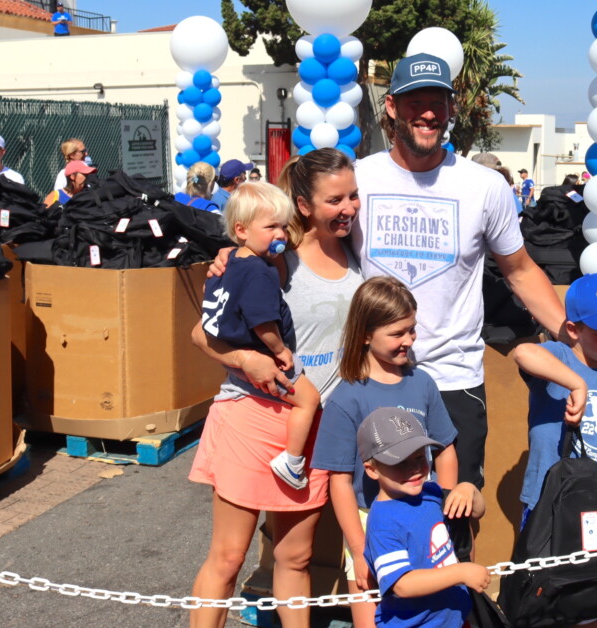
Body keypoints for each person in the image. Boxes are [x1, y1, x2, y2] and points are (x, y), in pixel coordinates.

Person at [354, 52, 565, 490]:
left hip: (454, 380)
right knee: (375, 515)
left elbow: (520, 271)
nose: (428, 113)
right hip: (374, 377)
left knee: (455, 509)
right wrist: (237, 256)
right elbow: (309, 246)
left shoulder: (485, 186)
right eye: (415, 102)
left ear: (451, 109)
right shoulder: (358, 179)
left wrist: (571, 333)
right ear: (391, 106)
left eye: (439, 102)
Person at [189, 148, 364, 628]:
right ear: (305, 205)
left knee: (297, 559)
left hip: (316, 427)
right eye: (335, 199)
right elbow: (201, 333)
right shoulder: (271, 260)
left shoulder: (359, 254)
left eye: (353, 196)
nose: (348, 207)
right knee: (227, 558)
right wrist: (245, 358)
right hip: (255, 415)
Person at [310, 276, 460, 628]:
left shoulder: (421, 383)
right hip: (369, 521)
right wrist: (360, 550)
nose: (409, 340)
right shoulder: (347, 398)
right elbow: (340, 481)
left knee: (437, 613)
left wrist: (446, 508)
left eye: (412, 330)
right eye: (398, 333)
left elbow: (446, 450)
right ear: (364, 334)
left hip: (425, 511)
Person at [200, 182, 321, 490]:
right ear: (241, 230)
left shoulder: (232, 264)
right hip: (265, 358)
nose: (280, 234)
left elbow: (211, 303)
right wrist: (280, 349)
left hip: (238, 356)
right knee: (309, 399)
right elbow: (262, 322)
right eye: (271, 227)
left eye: (283, 226)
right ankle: (292, 461)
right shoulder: (261, 272)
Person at [513, 273, 597, 542]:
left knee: (593, 577)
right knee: (544, 577)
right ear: (573, 330)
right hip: (548, 502)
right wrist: (577, 384)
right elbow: (523, 353)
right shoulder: (561, 356)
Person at [359, 407, 489, 628]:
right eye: (400, 462)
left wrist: (468, 489)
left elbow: (478, 511)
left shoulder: (430, 492)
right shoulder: (383, 522)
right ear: (372, 470)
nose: (415, 469)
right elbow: (402, 584)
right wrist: (460, 573)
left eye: (420, 457)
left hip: (454, 618)